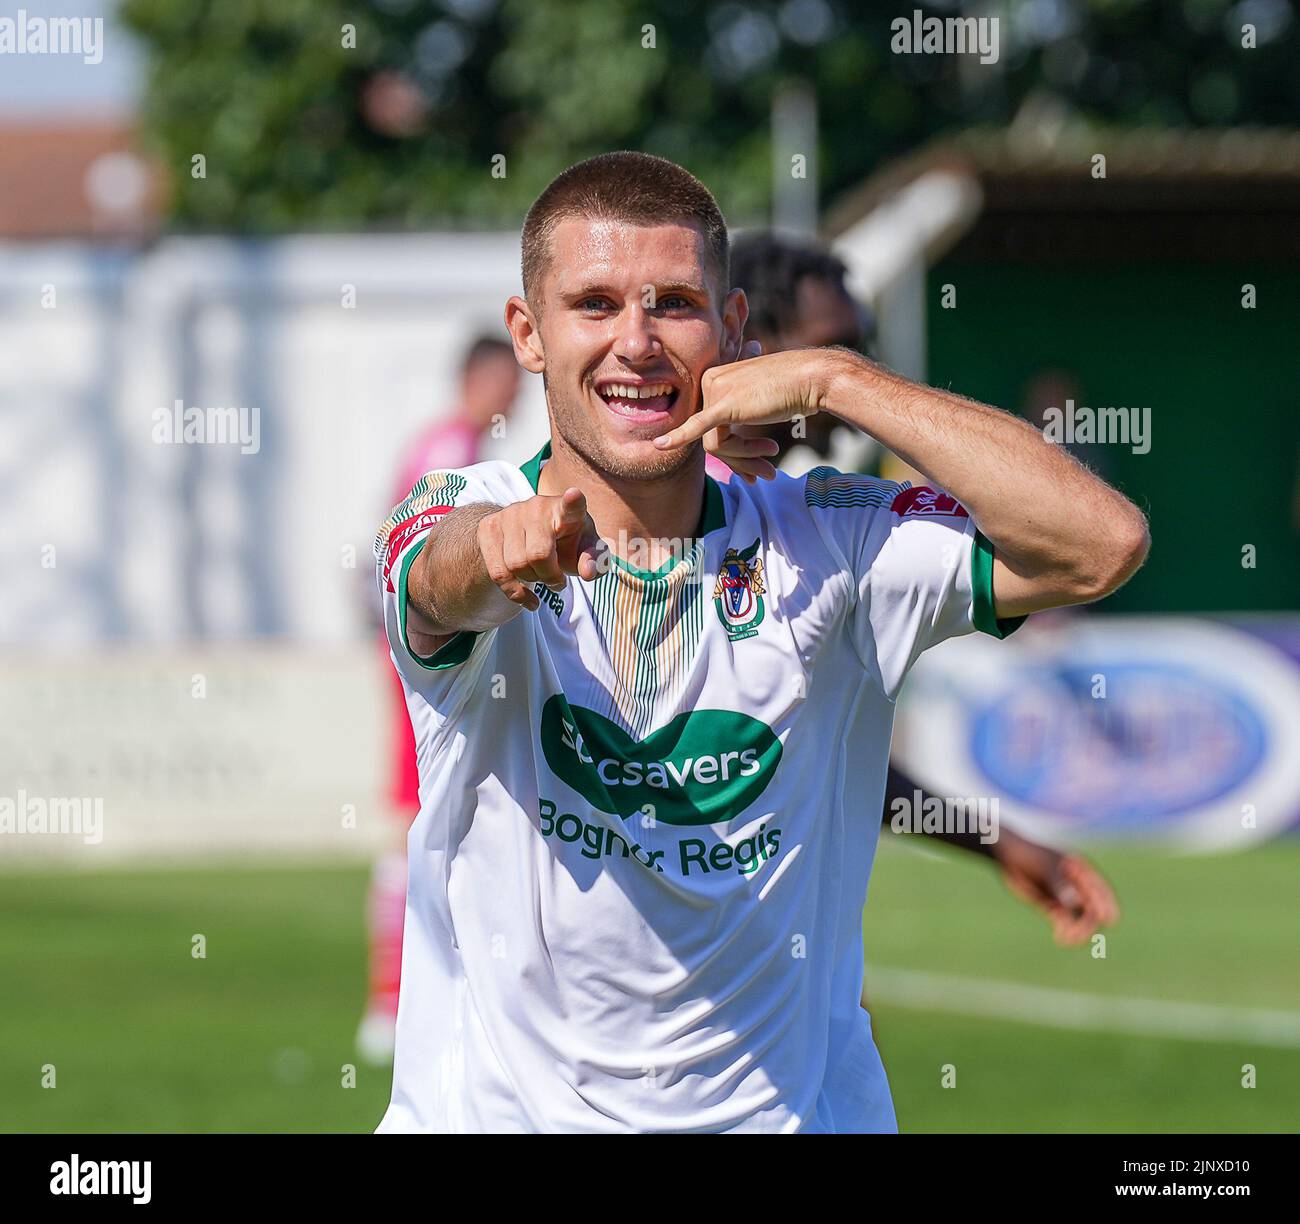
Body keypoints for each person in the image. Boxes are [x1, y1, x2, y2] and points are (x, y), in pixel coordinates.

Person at [373, 152, 1149, 1132]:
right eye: (596, 305)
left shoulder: (832, 537)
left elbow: (1101, 544)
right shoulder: (464, 506)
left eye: (674, 305)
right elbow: (433, 579)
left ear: (735, 329)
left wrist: (838, 378)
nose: (635, 341)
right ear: (526, 333)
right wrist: (490, 556)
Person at [728, 232, 1120, 948]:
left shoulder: (833, 518)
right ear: (751, 344)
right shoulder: (641, 520)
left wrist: (998, 843)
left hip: (777, 977)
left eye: (863, 350)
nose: (858, 376)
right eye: (836, 349)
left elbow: (1101, 544)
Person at [357, 335, 521, 1064]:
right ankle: (390, 999)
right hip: (433, 659)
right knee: (415, 819)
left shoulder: (448, 444)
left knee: (435, 813)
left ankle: (416, 994)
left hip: (433, 654)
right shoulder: (451, 452)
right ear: (478, 378)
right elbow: (403, 560)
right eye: (504, 378)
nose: (513, 393)